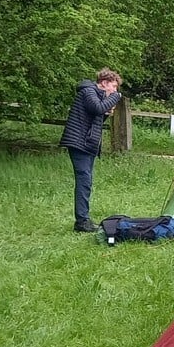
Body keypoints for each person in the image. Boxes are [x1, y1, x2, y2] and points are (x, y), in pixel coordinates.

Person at [59, 68, 124, 232]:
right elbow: (96, 108)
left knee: (86, 181)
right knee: (84, 180)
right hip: (79, 142)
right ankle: (82, 222)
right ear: (104, 83)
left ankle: (83, 219)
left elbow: (96, 117)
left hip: (87, 143)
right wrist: (115, 98)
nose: (115, 91)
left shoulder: (95, 95)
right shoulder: (88, 91)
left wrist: (107, 112)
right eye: (114, 87)